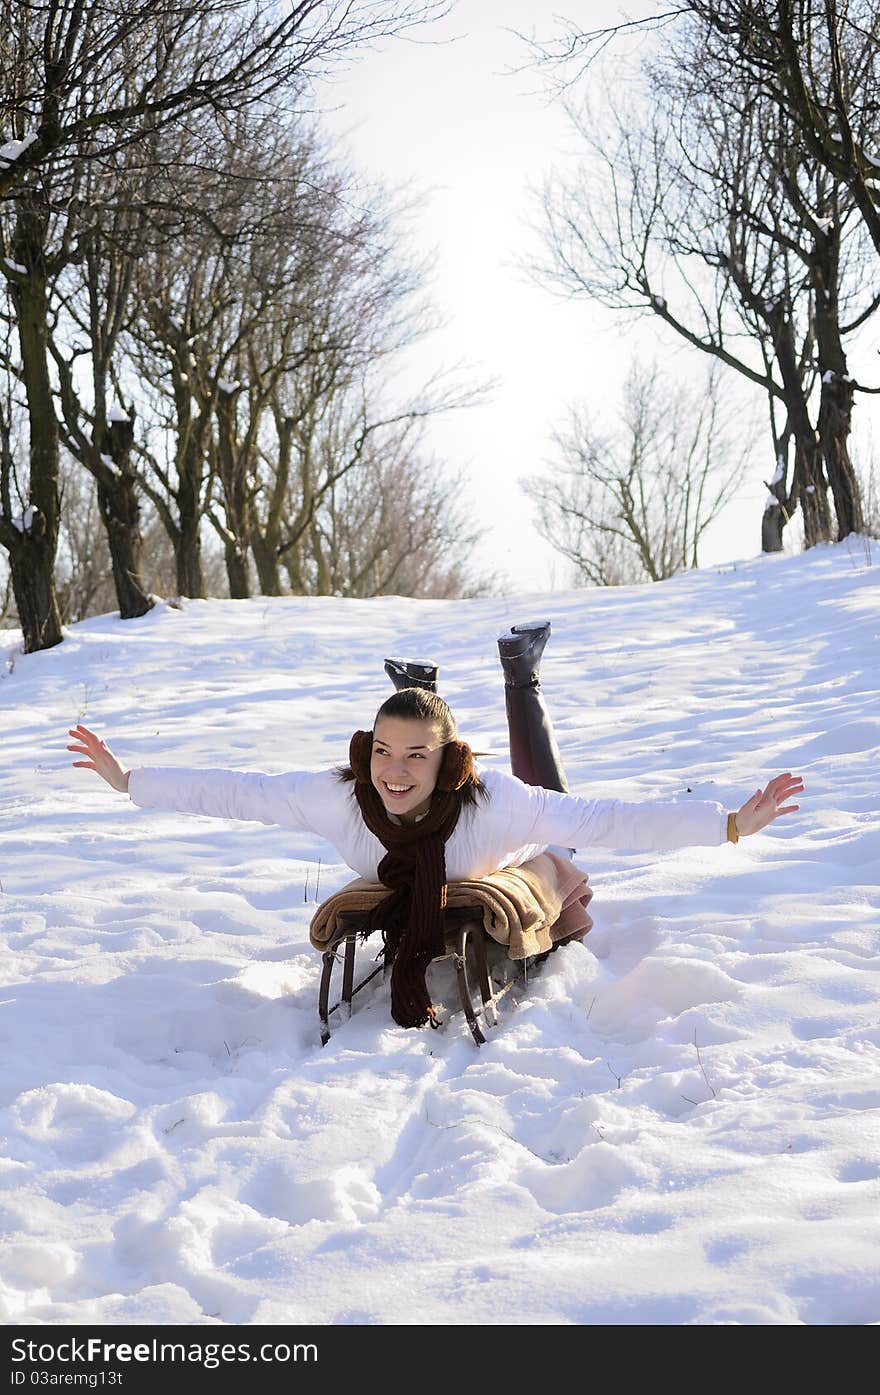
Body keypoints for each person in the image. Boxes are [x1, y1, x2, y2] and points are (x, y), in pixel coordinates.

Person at [67, 621, 804, 1030]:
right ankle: (416, 693)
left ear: (445, 762)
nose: (393, 771)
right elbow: (239, 791)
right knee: (406, 747)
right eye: (383, 751)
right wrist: (131, 780)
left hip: (517, 841)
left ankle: (522, 675)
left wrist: (732, 823)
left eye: (416, 756)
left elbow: (611, 818)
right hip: (447, 806)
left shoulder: (495, 805)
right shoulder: (342, 796)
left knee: (560, 812)